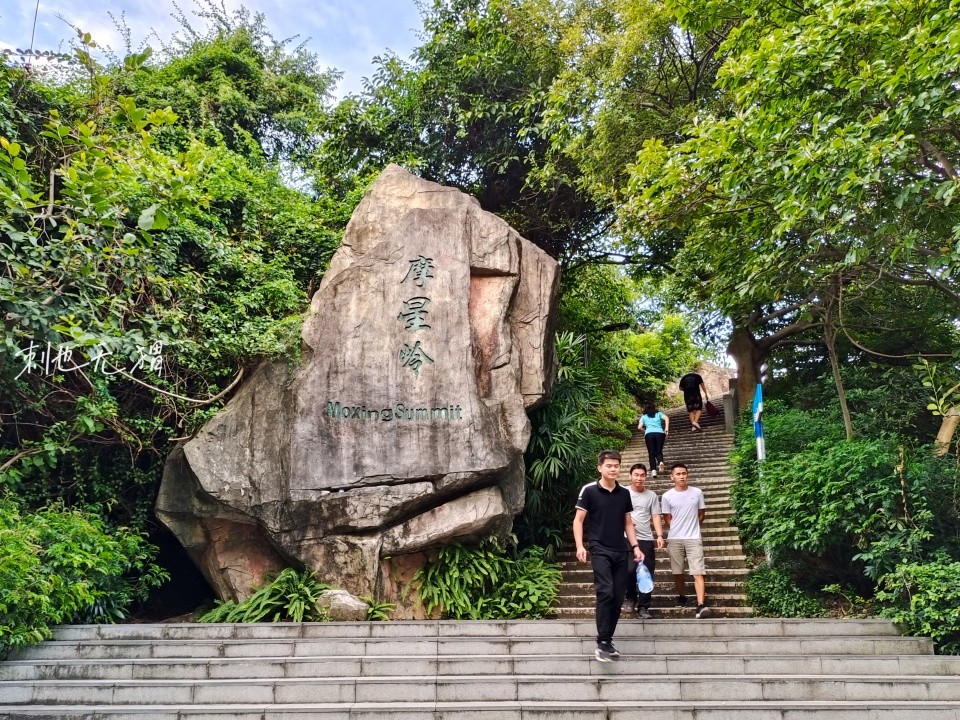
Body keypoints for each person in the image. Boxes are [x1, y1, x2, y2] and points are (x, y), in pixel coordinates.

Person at [573, 450, 645, 661]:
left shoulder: (624, 493)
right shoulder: (589, 491)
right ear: (600, 468)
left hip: (621, 549)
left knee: (617, 596)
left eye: (616, 466)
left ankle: (607, 640)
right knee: (605, 591)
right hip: (599, 547)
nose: (613, 469)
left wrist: (635, 546)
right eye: (609, 466)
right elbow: (578, 521)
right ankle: (602, 641)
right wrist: (580, 545)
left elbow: (628, 523)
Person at [660, 462, 711, 618]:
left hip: (694, 538)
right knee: (677, 572)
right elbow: (667, 517)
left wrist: (694, 526)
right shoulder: (667, 496)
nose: (682, 476)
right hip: (675, 538)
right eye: (678, 474)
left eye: (684, 473)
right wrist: (677, 528)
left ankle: (701, 605)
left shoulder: (697, 492)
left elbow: (701, 513)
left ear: (687, 475)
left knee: (698, 571)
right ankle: (682, 596)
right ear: (672, 477)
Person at [623, 463, 665, 619]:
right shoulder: (623, 492)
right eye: (636, 475)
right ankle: (631, 598)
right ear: (630, 476)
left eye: (642, 475)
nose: (639, 478)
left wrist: (660, 535)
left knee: (646, 573)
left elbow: (655, 516)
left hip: (646, 538)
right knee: (628, 570)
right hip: (626, 538)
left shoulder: (651, 495)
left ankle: (643, 607)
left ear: (645, 477)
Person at [638, 401, 669, 476]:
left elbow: (639, 427)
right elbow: (666, 418)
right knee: (659, 451)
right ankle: (660, 461)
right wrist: (666, 428)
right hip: (660, 433)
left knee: (651, 452)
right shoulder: (658, 414)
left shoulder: (644, 416)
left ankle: (653, 470)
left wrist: (645, 431)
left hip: (649, 434)